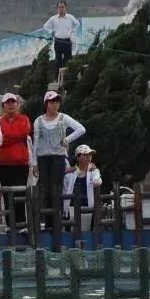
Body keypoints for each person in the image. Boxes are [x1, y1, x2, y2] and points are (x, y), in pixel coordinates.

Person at [32, 91, 86, 227]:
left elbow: (81, 129)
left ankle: (57, 222)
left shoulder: (63, 118)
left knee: (57, 188)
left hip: (58, 158)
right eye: (51, 102)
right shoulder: (38, 121)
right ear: (46, 104)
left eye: (57, 101)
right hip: (43, 159)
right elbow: (36, 143)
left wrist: (67, 139)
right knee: (46, 190)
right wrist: (34, 163)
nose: (55, 104)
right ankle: (48, 223)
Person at [0, 93, 33, 225]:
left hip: (20, 164)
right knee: (7, 196)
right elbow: (0, 139)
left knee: (20, 195)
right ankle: (9, 225)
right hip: (4, 164)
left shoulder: (24, 119)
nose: (11, 105)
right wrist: (14, 137)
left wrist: (8, 137)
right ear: (3, 106)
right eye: (8, 103)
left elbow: (23, 132)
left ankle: (21, 224)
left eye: (13, 102)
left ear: (17, 104)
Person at [63, 144, 102, 221]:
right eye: (85, 155)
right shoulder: (69, 175)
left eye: (90, 155)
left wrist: (96, 170)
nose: (88, 157)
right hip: (71, 209)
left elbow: (97, 181)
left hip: (88, 208)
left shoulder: (93, 172)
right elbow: (64, 192)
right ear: (78, 157)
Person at [43, 0, 80, 71]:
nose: (61, 9)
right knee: (58, 60)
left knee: (68, 60)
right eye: (59, 7)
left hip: (67, 41)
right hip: (58, 41)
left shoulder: (70, 17)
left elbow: (77, 24)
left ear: (65, 8)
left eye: (63, 7)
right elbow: (45, 26)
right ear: (57, 8)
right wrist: (51, 32)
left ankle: (67, 77)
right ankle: (57, 78)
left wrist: (72, 31)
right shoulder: (53, 18)